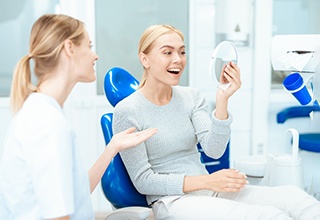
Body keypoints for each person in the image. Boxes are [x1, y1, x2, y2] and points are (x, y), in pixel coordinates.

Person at [112, 24, 320, 220]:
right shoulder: (128, 111)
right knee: (268, 217)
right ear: (144, 59)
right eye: (167, 52)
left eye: (182, 52)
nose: (178, 59)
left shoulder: (191, 96)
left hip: (210, 190)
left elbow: (214, 150)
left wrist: (223, 100)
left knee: (293, 197)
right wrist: (208, 180)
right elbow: (144, 181)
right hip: (172, 200)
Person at [0, 14, 157, 220]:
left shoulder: (42, 113)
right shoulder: (47, 124)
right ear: (69, 48)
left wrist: (113, 147)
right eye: (89, 46)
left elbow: (77, 193)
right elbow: (57, 217)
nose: (95, 56)